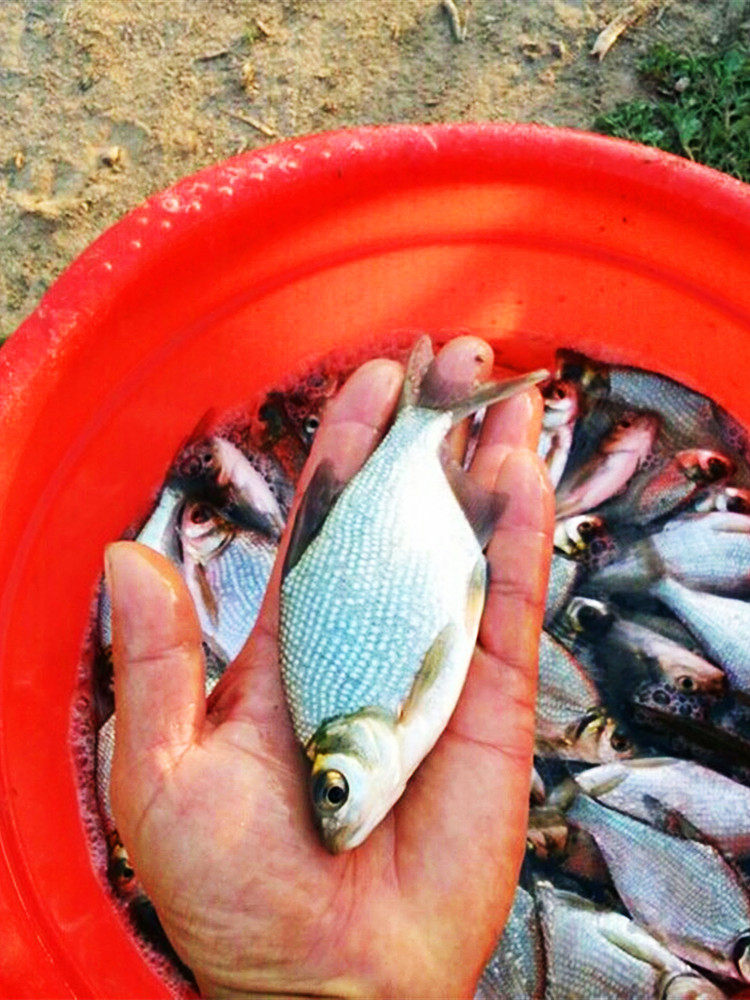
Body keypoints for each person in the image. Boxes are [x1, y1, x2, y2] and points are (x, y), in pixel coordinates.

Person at [105, 337, 554, 999]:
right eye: (336, 794)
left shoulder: (360, 721)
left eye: (335, 792)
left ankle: (420, 419)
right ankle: (423, 418)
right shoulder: (343, 720)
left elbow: (445, 636)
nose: (339, 819)